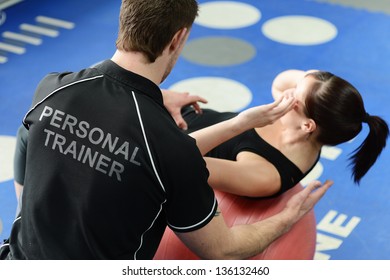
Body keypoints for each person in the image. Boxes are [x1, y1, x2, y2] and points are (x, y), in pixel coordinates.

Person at [1, 0, 332, 260]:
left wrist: (238, 124)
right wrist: (288, 218)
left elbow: (26, 152)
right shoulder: (171, 148)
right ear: (179, 38)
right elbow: (223, 249)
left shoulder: (53, 88)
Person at [166, 69, 389, 198]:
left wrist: (240, 124)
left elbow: (172, 160)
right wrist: (311, 83)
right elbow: (281, 82)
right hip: (180, 113)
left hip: (155, 141)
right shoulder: (300, 127)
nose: (286, 93)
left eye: (296, 97)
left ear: (308, 126)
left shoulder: (266, 175)